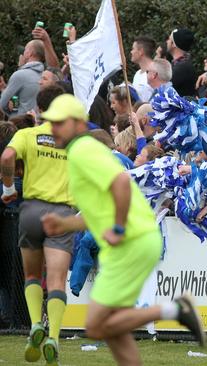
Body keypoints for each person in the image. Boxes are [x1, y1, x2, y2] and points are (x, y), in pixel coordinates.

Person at [41, 94, 205, 365]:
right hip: (137, 239)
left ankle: (175, 309)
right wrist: (65, 224)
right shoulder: (81, 152)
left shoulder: (82, 151)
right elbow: (97, 211)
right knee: (110, 328)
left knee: (96, 325)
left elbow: (119, 184)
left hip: (131, 241)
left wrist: (117, 228)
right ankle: (175, 310)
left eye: (58, 123)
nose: (52, 129)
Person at [1, 93, 76, 365]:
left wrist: (8, 188)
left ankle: (35, 324)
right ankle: (54, 337)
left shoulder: (28, 135)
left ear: (39, 109)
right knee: (57, 282)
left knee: (32, 275)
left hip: (32, 211)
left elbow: (7, 157)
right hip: (62, 213)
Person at [0, 40, 45, 117]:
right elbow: (20, 97)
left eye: (25, 50)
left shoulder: (20, 75)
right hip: (40, 122)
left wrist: (13, 114)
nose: (23, 54)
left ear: (30, 53)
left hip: (22, 123)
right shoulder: (47, 75)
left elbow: (3, 103)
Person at [166, 28, 197, 97]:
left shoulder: (182, 68)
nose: (166, 41)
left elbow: (164, 86)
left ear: (173, 44)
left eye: (169, 39)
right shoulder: (181, 64)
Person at [130, 36, 156, 102]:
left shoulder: (156, 71)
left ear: (141, 51)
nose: (131, 52)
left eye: (133, 49)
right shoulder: (137, 74)